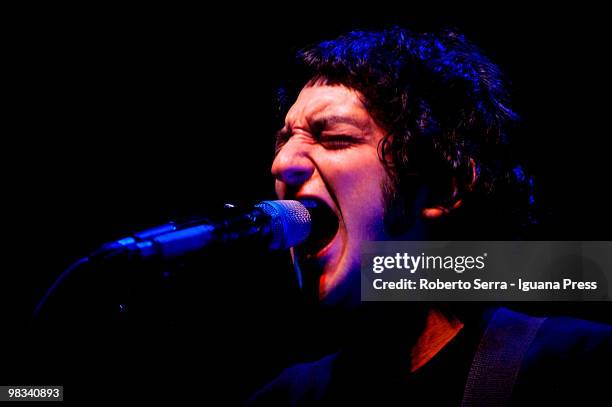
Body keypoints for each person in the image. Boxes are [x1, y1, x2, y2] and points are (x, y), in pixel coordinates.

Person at [248, 27, 611, 405]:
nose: (282, 163)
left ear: (441, 185)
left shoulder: (577, 368)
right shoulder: (281, 400)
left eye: (334, 138)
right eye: (284, 140)